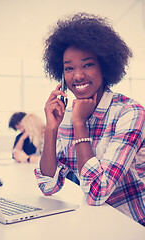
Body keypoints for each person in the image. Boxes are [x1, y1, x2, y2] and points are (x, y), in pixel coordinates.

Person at [34, 13, 145, 226]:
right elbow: (48, 186)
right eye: (69, 68)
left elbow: (97, 192)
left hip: (133, 225)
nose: (77, 76)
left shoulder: (130, 113)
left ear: (105, 67)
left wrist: (80, 124)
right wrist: (51, 129)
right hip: (93, 222)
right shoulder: (67, 115)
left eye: (87, 65)